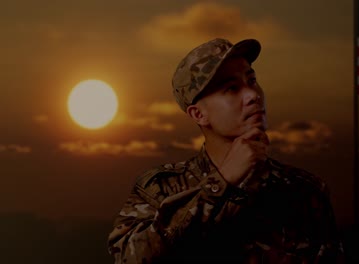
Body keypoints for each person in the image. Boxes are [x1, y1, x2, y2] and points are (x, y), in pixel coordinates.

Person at [107, 38, 343, 263]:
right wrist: (221, 183)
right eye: (231, 88)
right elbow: (132, 259)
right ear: (198, 114)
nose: (253, 95)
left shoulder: (305, 192)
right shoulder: (159, 189)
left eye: (251, 80)